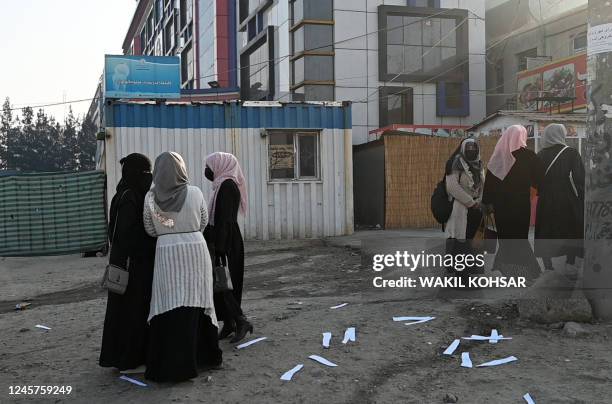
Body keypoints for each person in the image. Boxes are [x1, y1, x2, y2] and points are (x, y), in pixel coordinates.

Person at [143, 152, 222, 382]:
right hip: (196, 250)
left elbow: (149, 229)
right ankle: (204, 356)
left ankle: (170, 364)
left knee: (169, 305)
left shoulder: (150, 197)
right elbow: (204, 221)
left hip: (167, 253)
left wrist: (169, 230)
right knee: (196, 303)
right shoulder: (195, 192)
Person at [100, 153, 156, 373]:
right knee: (132, 312)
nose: (149, 178)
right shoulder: (131, 196)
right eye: (145, 173)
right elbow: (126, 234)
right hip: (131, 266)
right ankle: (129, 360)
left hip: (125, 262)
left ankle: (123, 357)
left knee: (124, 312)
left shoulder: (122, 193)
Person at [482, 125, 545, 281]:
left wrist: (487, 203)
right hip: (521, 205)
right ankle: (527, 271)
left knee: (506, 238)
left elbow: (489, 183)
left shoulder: (498, 156)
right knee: (519, 237)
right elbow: (539, 180)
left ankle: (509, 270)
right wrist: (533, 191)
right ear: (523, 136)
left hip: (501, 207)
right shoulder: (530, 156)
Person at [203, 152, 252, 344]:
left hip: (227, 242)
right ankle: (230, 323)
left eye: (210, 166)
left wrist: (220, 248)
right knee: (221, 283)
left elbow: (225, 220)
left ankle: (241, 321)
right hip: (224, 239)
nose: (207, 170)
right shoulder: (221, 186)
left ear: (220, 165)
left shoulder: (227, 186)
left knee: (225, 283)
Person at [534, 124, 585, 271]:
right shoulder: (571, 152)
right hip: (565, 196)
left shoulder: (540, 154)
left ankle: (548, 265)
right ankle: (570, 261)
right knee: (571, 227)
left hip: (545, 197)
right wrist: (582, 198)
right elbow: (579, 178)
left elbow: (534, 180)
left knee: (546, 229)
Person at [444, 138, 485, 279]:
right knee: (461, 242)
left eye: (474, 148)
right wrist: (470, 202)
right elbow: (452, 187)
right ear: (463, 149)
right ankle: (462, 274)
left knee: (474, 242)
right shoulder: (454, 164)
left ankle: (473, 271)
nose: (471, 151)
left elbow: (482, 186)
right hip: (461, 209)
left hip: (476, 210)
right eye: (468, 148)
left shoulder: (479, 164)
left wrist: (479, 201)